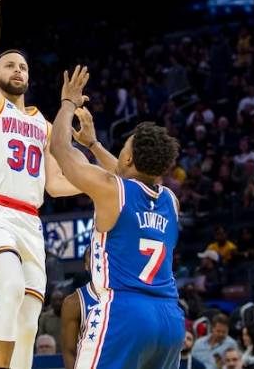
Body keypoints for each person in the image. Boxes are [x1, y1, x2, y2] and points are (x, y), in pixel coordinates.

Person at [0, 0, 82, 369]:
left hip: (29, 221)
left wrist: (104, 184)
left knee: (31, 320)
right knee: (11, 288)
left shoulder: (43, 123)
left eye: (23, 67)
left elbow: (56, 184)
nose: (17, 70)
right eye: (9, 65)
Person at [50, 67, 185, 369]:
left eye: (123, 148)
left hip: (125, 312)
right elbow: (127, 174)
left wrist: (68, 103)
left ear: (127, 158)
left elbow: (60, 148)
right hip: (169, 320)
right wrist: (94, 145)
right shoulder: (170, 200)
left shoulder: (113, 191)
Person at [61, 248, 99, 369]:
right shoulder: (73, 302)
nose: (96, 257)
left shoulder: (127, 294)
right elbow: (69, 351)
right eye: (91, 255)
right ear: (86, 266)